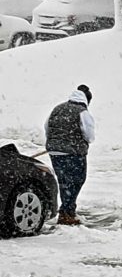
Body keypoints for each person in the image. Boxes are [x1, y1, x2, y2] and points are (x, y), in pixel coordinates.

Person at [44, 84, 95, 226]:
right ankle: (66, 213)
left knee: (64, 181)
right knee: (77, 180)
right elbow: (89, 135)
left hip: (55, 151)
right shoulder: (82, 112)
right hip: (73, 152)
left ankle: (68, 210)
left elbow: (47, 127)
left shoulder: (57, 108)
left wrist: (56, 142)